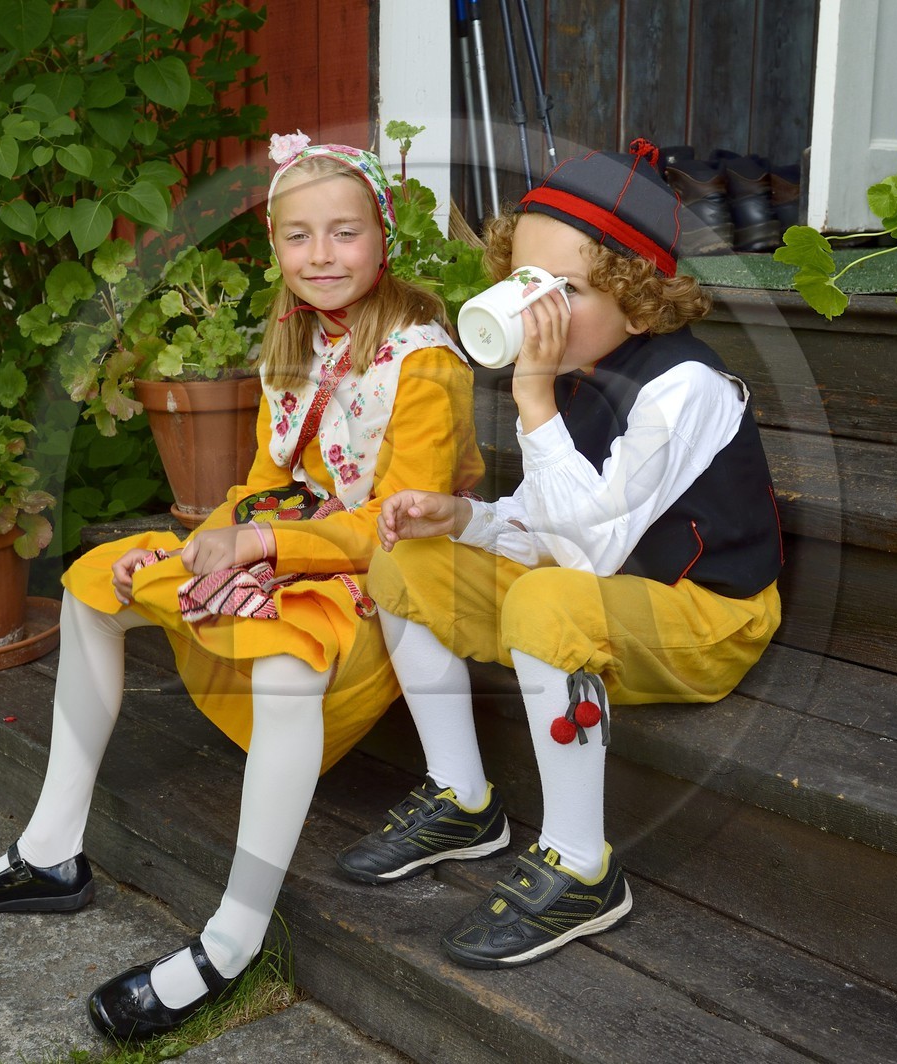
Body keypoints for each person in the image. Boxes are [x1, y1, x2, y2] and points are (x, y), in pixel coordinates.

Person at [0, 133, 482, 1042]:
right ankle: (51, 849)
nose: (321, 256)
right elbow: (271, 477)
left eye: (344, 233)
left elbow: (395, 519)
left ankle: (232, 937)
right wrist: (215, 535)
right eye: (298, 237)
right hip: (289, 535)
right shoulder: (294, 341)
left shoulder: (422, 361)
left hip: (393, 564)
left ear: (383, 236)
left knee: (287, 668)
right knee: (99, 583)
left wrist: (259, 539)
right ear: (274, 247)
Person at [335, 140, 784, 969]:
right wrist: (461, 521)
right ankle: (463, 798)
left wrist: (532, 394)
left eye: (566, 292)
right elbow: (545, 524)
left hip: (706, 614)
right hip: (602, 588)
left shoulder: (681, 387)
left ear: (642, 306)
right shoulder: (578, 367)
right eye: (524, 285)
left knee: (548, 602)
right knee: (404, 557)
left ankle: (583, 866)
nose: (536, 312)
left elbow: (585, 548)